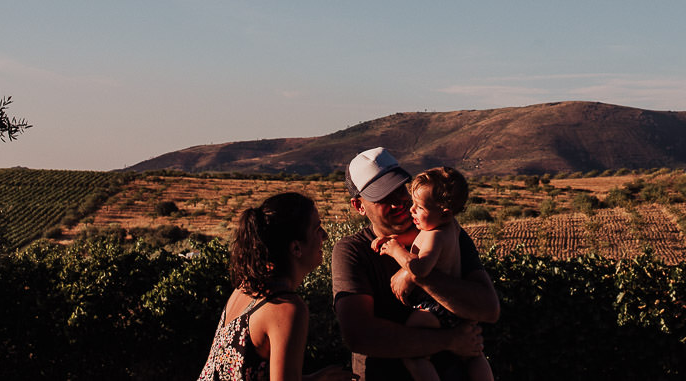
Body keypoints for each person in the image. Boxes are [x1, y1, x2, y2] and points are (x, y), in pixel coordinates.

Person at [332, 148, 500, 381]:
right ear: (359, 206)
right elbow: (360, 336)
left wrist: (412, 273)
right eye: (383, 196)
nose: (398, 201)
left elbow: (488, 309)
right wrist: (451, 341)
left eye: (400, 189)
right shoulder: (353, 251)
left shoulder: (444, 230)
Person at [198, 192, 356, 381]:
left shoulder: (245, 288)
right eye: (317, 229)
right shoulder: (286, 308)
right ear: (296, 248)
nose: (326, 236)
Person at [371, 168, 494, 381]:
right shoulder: (451, 227)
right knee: (474, 355)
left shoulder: (435, 236)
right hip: (456, 310)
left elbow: (420, 269)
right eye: (413, 204)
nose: (411, 211)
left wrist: (395, 250)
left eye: (419, 208)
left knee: (413, 352)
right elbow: (423, 242)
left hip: (436, 308)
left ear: (444, 212)